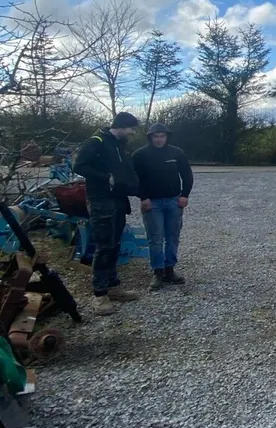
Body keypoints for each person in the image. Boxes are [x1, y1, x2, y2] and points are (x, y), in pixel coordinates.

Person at [73, 112, 142, 315]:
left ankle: (113, 286)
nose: (133, 133)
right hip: (100, 200)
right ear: (121, 126)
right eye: (131, 128)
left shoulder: (119, 144)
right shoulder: (97, 141)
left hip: (118, 199)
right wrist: (105, 178)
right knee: (104, 246)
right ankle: (99, 295)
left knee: (115, 243)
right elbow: (79, 166)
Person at [132, 123, 193, 290]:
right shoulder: (140, 155)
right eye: (156, 136)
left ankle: (170, 270)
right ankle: (157, 272)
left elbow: (187, 175)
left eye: (162, 136)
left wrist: (185, 195)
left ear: (167, 137)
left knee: (173, 237)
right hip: (152, 203)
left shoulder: (177, 153)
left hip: (174, 201)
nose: (159, 139)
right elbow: (135, 178)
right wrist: (143, 197)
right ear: (150, 137)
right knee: (155, 238)